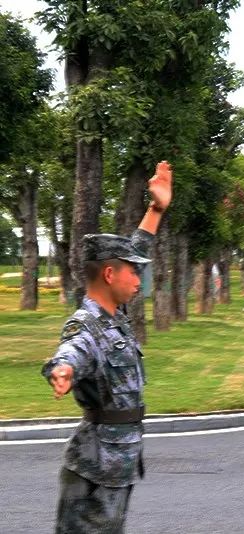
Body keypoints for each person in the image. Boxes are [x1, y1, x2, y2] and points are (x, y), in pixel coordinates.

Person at [41, 160, 173, 533]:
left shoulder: (115, 314)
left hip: (116, 464)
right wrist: (61, 370)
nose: (139, 276)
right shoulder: (88, 327)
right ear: (110, 274)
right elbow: (73, 350)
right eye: (133, 271)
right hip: (95, 472)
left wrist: (156, 208)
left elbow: (137, 247)